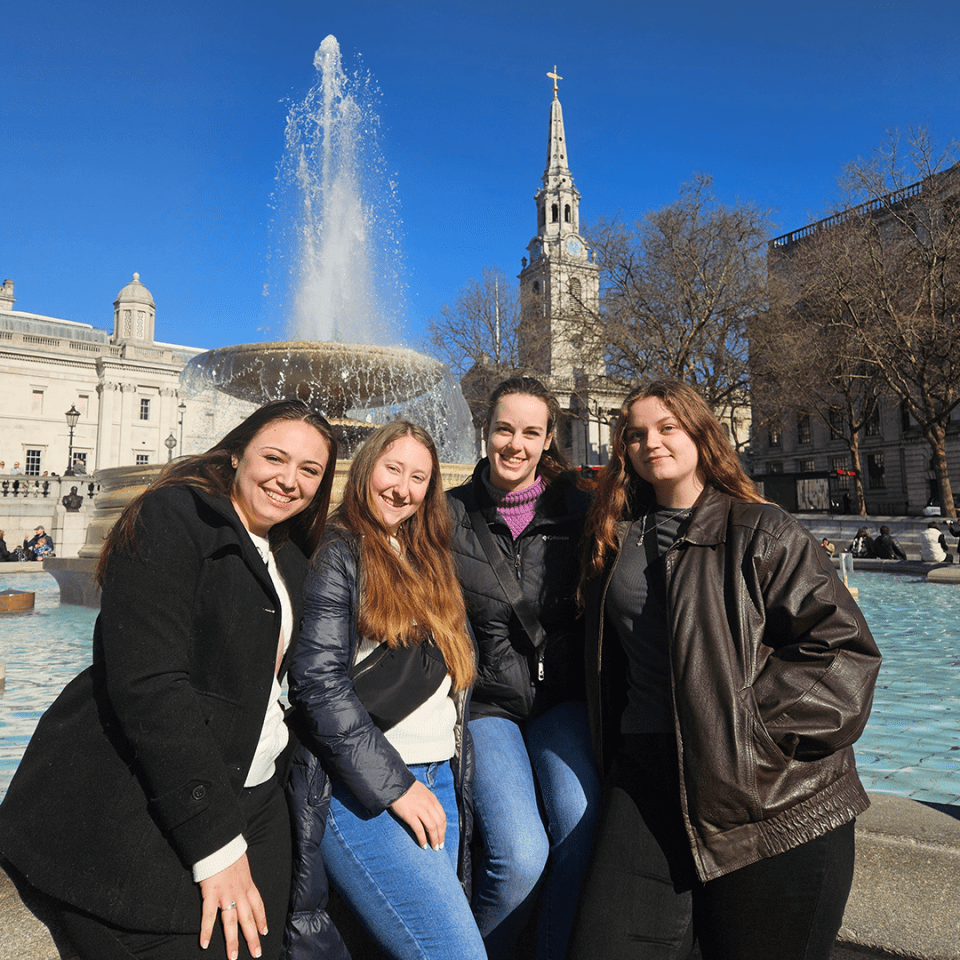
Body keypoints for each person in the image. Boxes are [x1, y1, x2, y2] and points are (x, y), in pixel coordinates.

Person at [0, 399, 338, 960]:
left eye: (310, 471)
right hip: (140, 800)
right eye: (275, 458)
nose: (289, 480)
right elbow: (150, 684)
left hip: (254, 797)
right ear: (236, 454)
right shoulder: (175, 516)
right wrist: (216, 845)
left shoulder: (291, 554)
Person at [568, 379, 881, 960]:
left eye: (667, 427)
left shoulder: (763, 530)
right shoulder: (615, 537)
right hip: (645, 781)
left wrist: (746, 731)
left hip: (771, 796)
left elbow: (843, 653)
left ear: (700, 433)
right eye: (634, 434)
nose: (649, 443)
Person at [285, 420, 484, 960]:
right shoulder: (339, 551)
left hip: (440, 776)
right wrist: (396, 786)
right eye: (393, 469)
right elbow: (318, 684)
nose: (403, 488)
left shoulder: (427, 556)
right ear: (367, 468)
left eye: (418, 477)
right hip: (366, 790)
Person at [446, 377, 600, 960]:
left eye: (530, 432)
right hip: (487, 705)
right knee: (518, 857)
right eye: (504, 429)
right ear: (485, 432)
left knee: (581, 827)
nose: (515, 444)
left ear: (548, 439)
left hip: (560, 703)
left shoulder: (581, 513)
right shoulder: (447, 514)